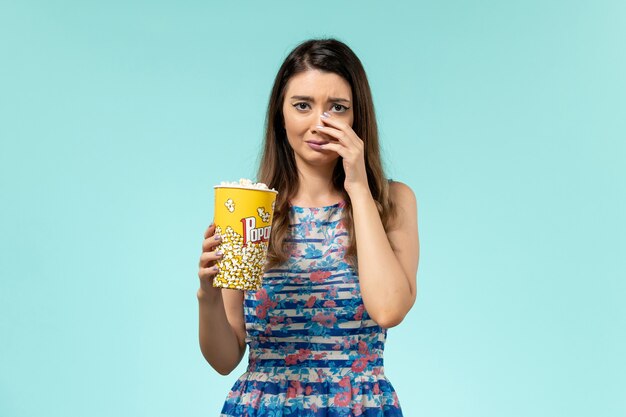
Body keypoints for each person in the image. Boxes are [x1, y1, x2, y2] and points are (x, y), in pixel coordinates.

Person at [197, 38, 420, 416]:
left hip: (359, 406)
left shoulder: (392, 202)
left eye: (337, 108)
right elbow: (224, 358)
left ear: (356, 117)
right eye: (303, 105)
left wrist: (358, 187)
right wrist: (208, 294)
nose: (320, 122)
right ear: (280, 116)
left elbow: (389, 310)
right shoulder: (252, 210)